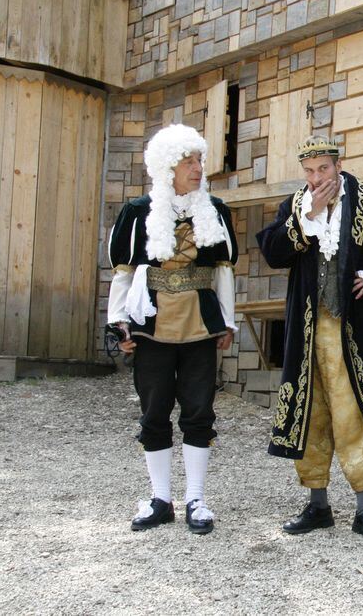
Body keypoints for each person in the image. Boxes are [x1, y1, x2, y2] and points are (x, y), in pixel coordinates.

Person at [257, 135, 363, 544]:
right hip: (307, 331)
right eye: (310, 171)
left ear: (338, 164)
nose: (317, 178)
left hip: (355, 329)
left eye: (323, 169)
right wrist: (307, 215)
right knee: (311, 412)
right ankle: (318, 505)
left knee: (352, 413)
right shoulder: (298, 205)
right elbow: (272, 251)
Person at [107, 123, 238, 535]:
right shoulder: (137, 212)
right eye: (189, 161)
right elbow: (124, 273)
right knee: (154, 411)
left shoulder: (214, 210)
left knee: (200, 410)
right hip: (152, 326)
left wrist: (228, 320)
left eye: (199, 160)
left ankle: (195, 499)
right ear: (168, 168)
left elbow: (222, 271)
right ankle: (161, 498)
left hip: (200, 324)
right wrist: (119, 323)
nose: (198, 168)